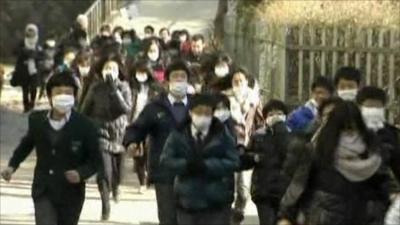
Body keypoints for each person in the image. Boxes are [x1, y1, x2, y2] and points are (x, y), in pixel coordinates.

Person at [1, 71, 100, 225]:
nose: (63, 96)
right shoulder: (37, 120)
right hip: (44, 189)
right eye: (58, 92)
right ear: (49, 96)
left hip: (71, 194)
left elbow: (95, 160)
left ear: (75, 96)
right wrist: (12, 166)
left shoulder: (85, 126)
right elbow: (26, 145)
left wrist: (80, 173)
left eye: (68, 93)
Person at [277, 101, 392, 225]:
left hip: (361, 218)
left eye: (352, 127)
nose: (349, 135)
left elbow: (384, 186)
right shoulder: (318, 151)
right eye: (344, 127)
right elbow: (298, 186)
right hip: (324, 219)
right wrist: (285, 216)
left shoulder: (372, 152)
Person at [124, 60, 192, 225]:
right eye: (175, 77)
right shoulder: (155, 107)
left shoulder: (198, 105)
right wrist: (132, 142)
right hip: (164, 171)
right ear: (167, 81)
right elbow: (137, 128)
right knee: (168, 218)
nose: (179, 81)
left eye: (183, 77)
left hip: (192, 171)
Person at [160, 93, 240, 225]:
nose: (203, 116)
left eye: (207, 113)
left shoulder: (222, 134)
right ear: (191, 112)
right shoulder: (178, 134)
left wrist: (207, 165)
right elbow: (165, 160)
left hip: (216, 202)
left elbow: (234, 162)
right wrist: (186, 165)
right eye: (199, 112)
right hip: (187, 201)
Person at [80, 55, 132, 220]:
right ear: (101, 71)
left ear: (118, 72)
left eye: (113, 69)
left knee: (117, 170)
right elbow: (84, 110)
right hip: (100, 133)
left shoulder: (124, 87)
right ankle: (105, 206)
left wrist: (114, 90)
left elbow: (126, 109)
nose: (109, 72)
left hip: (119, 134)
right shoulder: (95, 88)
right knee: (105, 172)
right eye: (107, 69)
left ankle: (116, 187)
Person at [240, 99, 291, 225]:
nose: (275, 117)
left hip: (285, 191)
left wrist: (281, 131)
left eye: (278, 113)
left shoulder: (292, 135)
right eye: (271, 114)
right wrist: (253, 157)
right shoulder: (258, 135)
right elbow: (245, 160)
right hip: (263, 191)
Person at [223, 67, 263, 225]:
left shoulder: (254, 100)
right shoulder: (225, 99)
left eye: (241, 81)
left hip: (247, 147)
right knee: (228, 186)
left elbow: (260, 122)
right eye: (235, 81)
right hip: (228, 147)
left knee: (244, 189)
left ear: (247, 82)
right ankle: (226, 216)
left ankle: (238, 212)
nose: (238, 84)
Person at [356, 86, 400, 225]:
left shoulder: (391, 134)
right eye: (369, 106)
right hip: (352, 198)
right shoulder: (350, 130)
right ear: (360, 107)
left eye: (377, 107)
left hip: (381, 200)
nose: (373, 111)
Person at [128, 59, 163, 193]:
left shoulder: (156, 88)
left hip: (152, 125)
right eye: (139, 72)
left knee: (150, 151)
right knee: (138, 156)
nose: (141, 75)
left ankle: (151, 176)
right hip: (135, 124)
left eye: (144, 72)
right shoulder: (131, 87)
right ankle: (142, 181)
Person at [11, 23, 42, 113]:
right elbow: (15, 51)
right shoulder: (22, 42)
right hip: (23, 69)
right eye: (29, 31)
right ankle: (26, 106)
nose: (30, 33)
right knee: (25, 88)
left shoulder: (37, 43)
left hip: (34, 69)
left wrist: (35, 56)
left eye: (32, 31)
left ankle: (32, 103)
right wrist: (24, 52)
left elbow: (41, 55)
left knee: (34, 88)